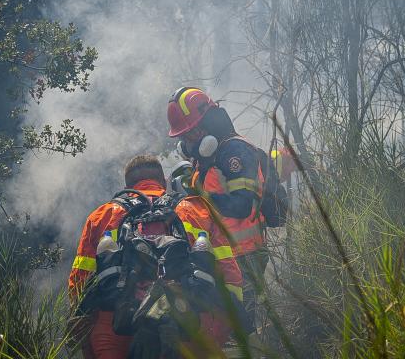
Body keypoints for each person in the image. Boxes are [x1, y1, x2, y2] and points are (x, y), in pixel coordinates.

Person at [68, 155, 242, 358]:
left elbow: (79, 283)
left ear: (128, 185)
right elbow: (229, 274)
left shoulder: (102, 215)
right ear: (164, 181)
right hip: (189, 320)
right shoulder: (197, 209)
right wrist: (226, 325)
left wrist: (83, 330)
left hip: (116, 325)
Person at [167, 87, 268, 336]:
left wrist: (200, 195)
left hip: (245, 255)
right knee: (217, 328)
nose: (188, 141)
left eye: (191, 132)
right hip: (222, 255)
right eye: (186, 136)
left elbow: (241, 205)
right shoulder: (209, 156)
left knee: (239, 331)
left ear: (208, 122)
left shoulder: (235, 151)